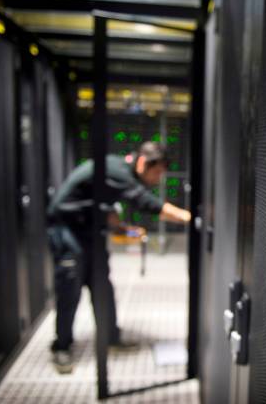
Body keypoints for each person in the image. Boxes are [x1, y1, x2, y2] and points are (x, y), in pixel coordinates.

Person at [46, 142, 190, 373]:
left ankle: (111, 338)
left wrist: (121, 228)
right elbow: (147, 203)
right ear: (143, 162)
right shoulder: (117, 171)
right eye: (158, 172)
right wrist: (187, 217)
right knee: (69, 289)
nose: (159, 178)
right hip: (67, 229)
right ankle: (61, 347)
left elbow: (103, 205)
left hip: (89, 230)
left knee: (103, 286)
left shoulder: (116, 170)